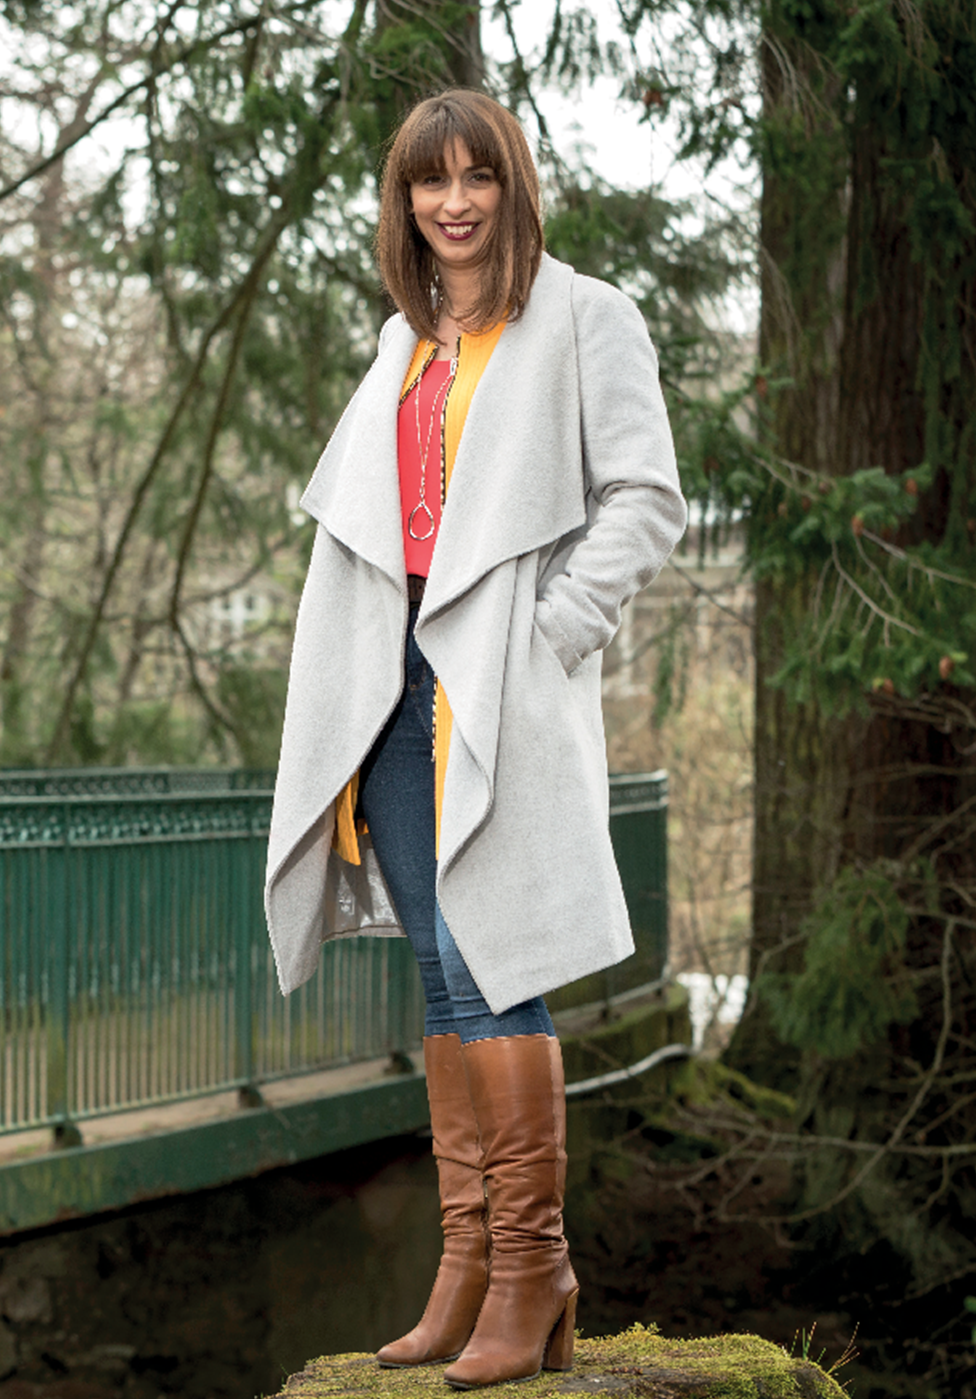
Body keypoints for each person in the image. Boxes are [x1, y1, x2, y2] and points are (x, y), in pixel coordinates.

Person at [263, 89, 686, 1388]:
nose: (451, 203)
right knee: (443, 973)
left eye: (474, 178)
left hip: (494, 681)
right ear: (402, 206)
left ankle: (534, 1265)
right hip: (386, 684)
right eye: (425, 184)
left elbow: (646, 497)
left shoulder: (582, 316)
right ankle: (469, 1259)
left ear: (510, 185)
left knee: (498, 961)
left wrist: (552, 632)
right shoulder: (403, 342)